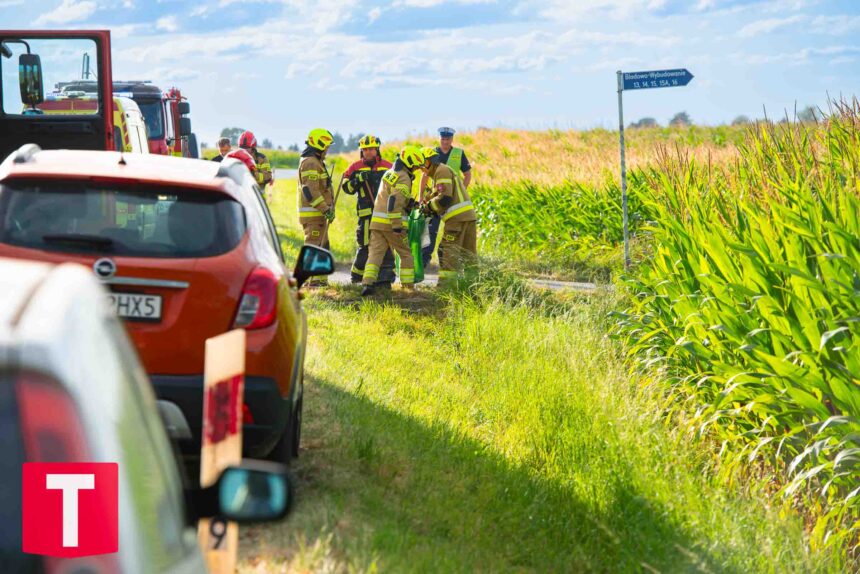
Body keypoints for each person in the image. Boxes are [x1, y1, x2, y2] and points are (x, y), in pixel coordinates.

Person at [360, 146, 422, 296]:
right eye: (416, 166)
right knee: (406, 254)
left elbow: (389, 196)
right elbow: (394, 201)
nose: (416, 169)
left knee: (375, 254)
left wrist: (409, 202)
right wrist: (396, 226)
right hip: (391, 224)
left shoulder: (390, 172)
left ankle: (367, 284)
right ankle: (408, 287)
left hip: (377, 223)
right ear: (410, 163)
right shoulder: (404, 177)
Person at [341, 134, 395, 286]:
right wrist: (357, 180)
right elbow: (346, 188)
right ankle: (356, 278)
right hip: (365, 215)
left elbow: (398, 186)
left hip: (384, 214)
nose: (368, 152)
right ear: (361, 151)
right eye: (365, 150)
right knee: (364, 246)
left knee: (386, 246)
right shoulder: (355, 167)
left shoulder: (388, 166)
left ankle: (385, 279)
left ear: (377, 149)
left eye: (371, 149)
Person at [419, 146, 477, 284]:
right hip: (467, 217)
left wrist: (427, 208)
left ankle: (446, 286)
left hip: (456, 219)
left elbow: (445, 198)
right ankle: (473, 284)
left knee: (447, 251)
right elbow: (437, 194)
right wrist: (423, 203)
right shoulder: (440, 172)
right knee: (468, 255)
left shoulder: (441, 171)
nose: (421, 169)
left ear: (428, 162)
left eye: (422, 164)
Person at [297, 128, 335, 253]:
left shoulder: (316, 162)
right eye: (327, 147)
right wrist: (326, 210)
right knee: (314, 252)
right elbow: (311, 192)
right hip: (314, 217)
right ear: (320, 145)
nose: (327, 150)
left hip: (318, 216)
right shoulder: (311, 163)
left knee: (323, 252)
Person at [238, 131, 274, 198]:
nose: (244, 150)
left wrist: (253, 175)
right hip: (241, 192)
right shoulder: (237, 157)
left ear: (252, 147)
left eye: (247, 148)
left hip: (257, 193)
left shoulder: (261, 159)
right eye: (242, 148)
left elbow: (268, 177)